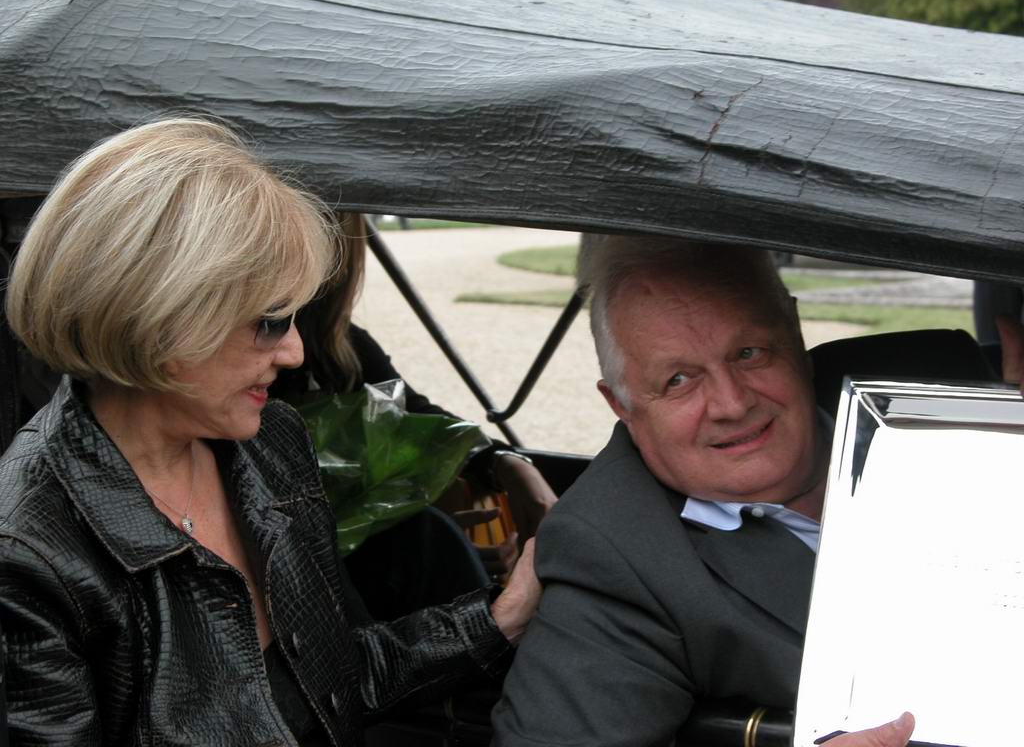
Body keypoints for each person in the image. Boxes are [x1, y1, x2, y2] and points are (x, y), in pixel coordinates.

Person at [0, 117, 540, 746]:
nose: (295, 353)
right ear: (161, 317)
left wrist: (502, 616)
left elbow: (335, 681)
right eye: (272, 321)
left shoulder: (268, 443)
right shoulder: (26, 553)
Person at [492, 236, 834, 746]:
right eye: (679, 380)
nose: (731, 403)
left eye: (749, 353)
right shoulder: (615, 554)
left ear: (795, 329)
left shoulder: (921, 386)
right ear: (621, 404)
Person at [272, 220, 558, 616]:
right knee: (427, 536)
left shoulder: (340, 348)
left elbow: (415, 417)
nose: (289, 351)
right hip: (297, 577)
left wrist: (507, 462)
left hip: (344, 569)